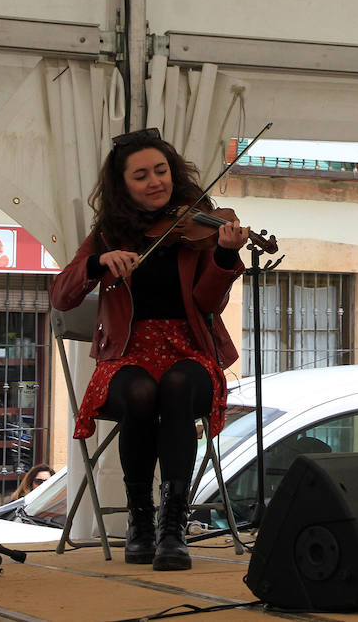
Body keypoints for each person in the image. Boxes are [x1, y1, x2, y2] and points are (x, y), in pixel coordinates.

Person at [50, 128, 246, 570]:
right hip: (126, 353)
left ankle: (172, 526)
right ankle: (141, 520)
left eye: (161, 171)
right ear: (123, 185)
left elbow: (207, 305)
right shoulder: (109, 233)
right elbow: (61, 296)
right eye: (141, 176)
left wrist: (224, 259)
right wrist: (98, 263)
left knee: (176, 386)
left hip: (189, 348)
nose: (155, 181)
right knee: (140, 394)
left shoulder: (198, 223)